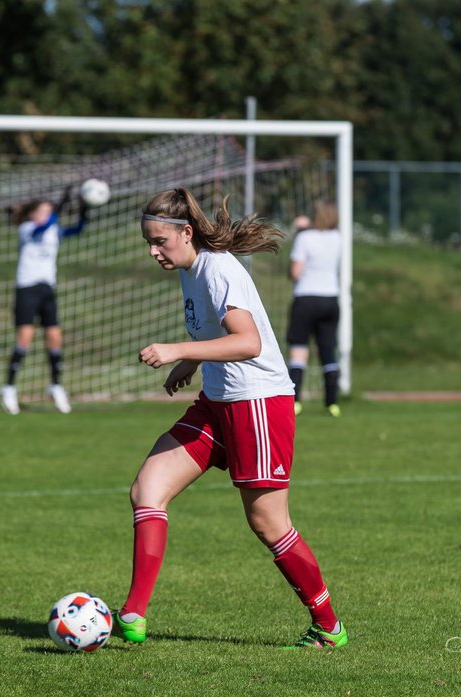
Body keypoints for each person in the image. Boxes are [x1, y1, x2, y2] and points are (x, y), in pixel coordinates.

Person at [117, 187, 347, 650]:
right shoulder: (190, 268)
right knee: (148, 489)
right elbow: (217, 334)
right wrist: (192, 364)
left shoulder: (218, 270)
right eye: (149, 241)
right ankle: (133, 615)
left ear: (186, 233)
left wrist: (178, 350)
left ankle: (328, 626)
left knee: (268, 524)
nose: (153, 251)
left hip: (258, 404)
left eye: (160, 241)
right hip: (218, 404)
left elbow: (248, 342)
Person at [0, 190, 86, 415]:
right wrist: (60, 208)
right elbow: (44, 227)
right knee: (24, 340)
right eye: (44, 212)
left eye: (50, 212)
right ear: (32, 214)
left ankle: (56, 386)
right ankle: (9, 388)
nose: (47, 215)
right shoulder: (27, 229)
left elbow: (77, 230)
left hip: (47, 289)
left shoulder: (53, 229)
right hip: (26, 289)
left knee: (55, 339)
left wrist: (85, 208)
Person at [286, 199, 342, 417]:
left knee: (299, 349)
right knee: (328, 349)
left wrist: (300, 230)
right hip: (331, 299)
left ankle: (296, 401)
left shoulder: (305, 238)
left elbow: (296, 273)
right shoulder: (338, 238)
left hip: (306, 298)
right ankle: (332, 402)